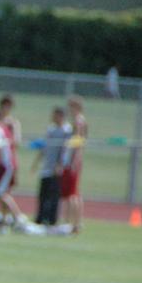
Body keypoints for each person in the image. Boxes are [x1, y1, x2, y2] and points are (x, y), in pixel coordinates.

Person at [30, 107, 72, 225]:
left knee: (54, 195)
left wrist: (60, 164)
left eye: (56, 115)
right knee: (43, 194)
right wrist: (36, 163)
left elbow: (65, 150)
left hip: (56, 168)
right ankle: (40, 218)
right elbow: (44, 147)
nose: (53, 117)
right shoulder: (51, 129)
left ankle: (52, 219)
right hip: (46, 166)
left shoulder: (66, 131)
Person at [60, 96, 88, 233]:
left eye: (71, 106)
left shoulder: (78, 121)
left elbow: (78, 141)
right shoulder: (78, 120)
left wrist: (74, 160)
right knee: (74, 192)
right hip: (73, 160)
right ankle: (76, 222)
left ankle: (72, 222)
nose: (69, 110)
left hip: (73, 161)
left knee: (72, 194)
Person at [0, 94, 22, 192]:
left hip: (8, 159)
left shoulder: (13, 123)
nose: (5, 108)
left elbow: (17, 141)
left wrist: (5, 140)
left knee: (4, 191)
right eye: (4, 105)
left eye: (8, 105)